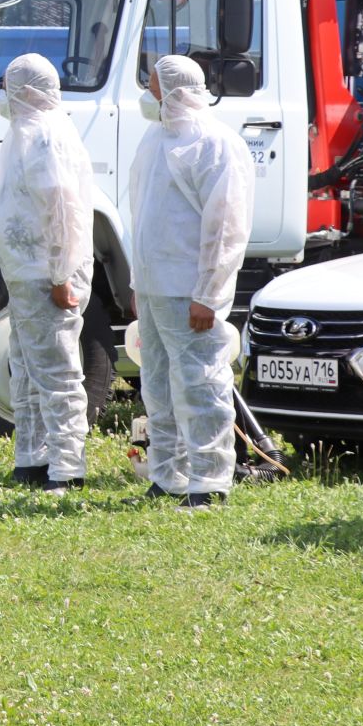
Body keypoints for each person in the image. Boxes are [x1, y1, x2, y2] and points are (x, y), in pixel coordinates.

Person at [128, 54, 255, 509]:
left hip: (189, 291)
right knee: (158, 385)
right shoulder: (155, 139)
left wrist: (209, 294)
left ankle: (210, 481)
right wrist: (135, 282)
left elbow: (225, 227)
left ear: (173, 88)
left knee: (201, 384)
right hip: (155, 286)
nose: (148, 89)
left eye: (153, 82)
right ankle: (169, 474)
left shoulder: (214, 143)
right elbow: (140, 215)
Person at [0, 55, 94, 493]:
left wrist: (60, 273)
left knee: (56, 371)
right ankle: (32, 458)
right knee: (26, 367)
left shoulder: (46, 135)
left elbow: (61, 210)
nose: (4, 94)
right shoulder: (23, 132)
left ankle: (68, 467)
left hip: (46, 274)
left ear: (26, 91)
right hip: (25, 272)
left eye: (10, 85)